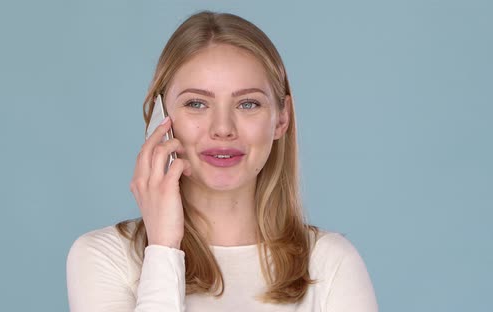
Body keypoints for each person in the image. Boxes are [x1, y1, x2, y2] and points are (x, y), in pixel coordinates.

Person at [66, 11, 378, 312]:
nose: (223, 129)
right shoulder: (103, 257)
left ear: (282, 118)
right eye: (197, 103)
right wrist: (162, 248)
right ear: (160, 116)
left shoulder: (331, 263)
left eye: (248, 103)